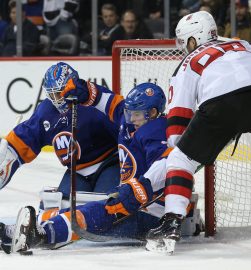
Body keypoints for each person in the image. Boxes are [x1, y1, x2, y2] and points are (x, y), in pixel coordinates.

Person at [145, 10, 251, 253]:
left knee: (179, 159)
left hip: (222, 103)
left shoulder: (189, 61)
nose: (183, 47)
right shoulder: (240, 43)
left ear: (193, 40)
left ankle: (170, 224)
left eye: (183, 42)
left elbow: (177, 124)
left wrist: (190, 146)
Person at [2, 83, 172, 254]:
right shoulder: (128, 122)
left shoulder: (155, 130)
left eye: (137, 114)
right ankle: (19, 231)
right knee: (76, 210)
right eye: (129, 113)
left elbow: (165, 166)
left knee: (96, 212)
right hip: (133, 202)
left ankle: (43, 234)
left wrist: (139, 188)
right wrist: (86, 89)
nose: (131, 119)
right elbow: (107, 101)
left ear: (153, 113)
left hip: (152, 212)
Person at [0, 62, 121, 251]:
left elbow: (125, 132)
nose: (56, 99)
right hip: (77, 171)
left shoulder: (92, 102)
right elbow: (25, 138)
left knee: (105, 207)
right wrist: (8, 156)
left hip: (109, 163)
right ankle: (32, 231)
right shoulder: (47, 111)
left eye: (59, 92)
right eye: (51, 94)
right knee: (54, 206)